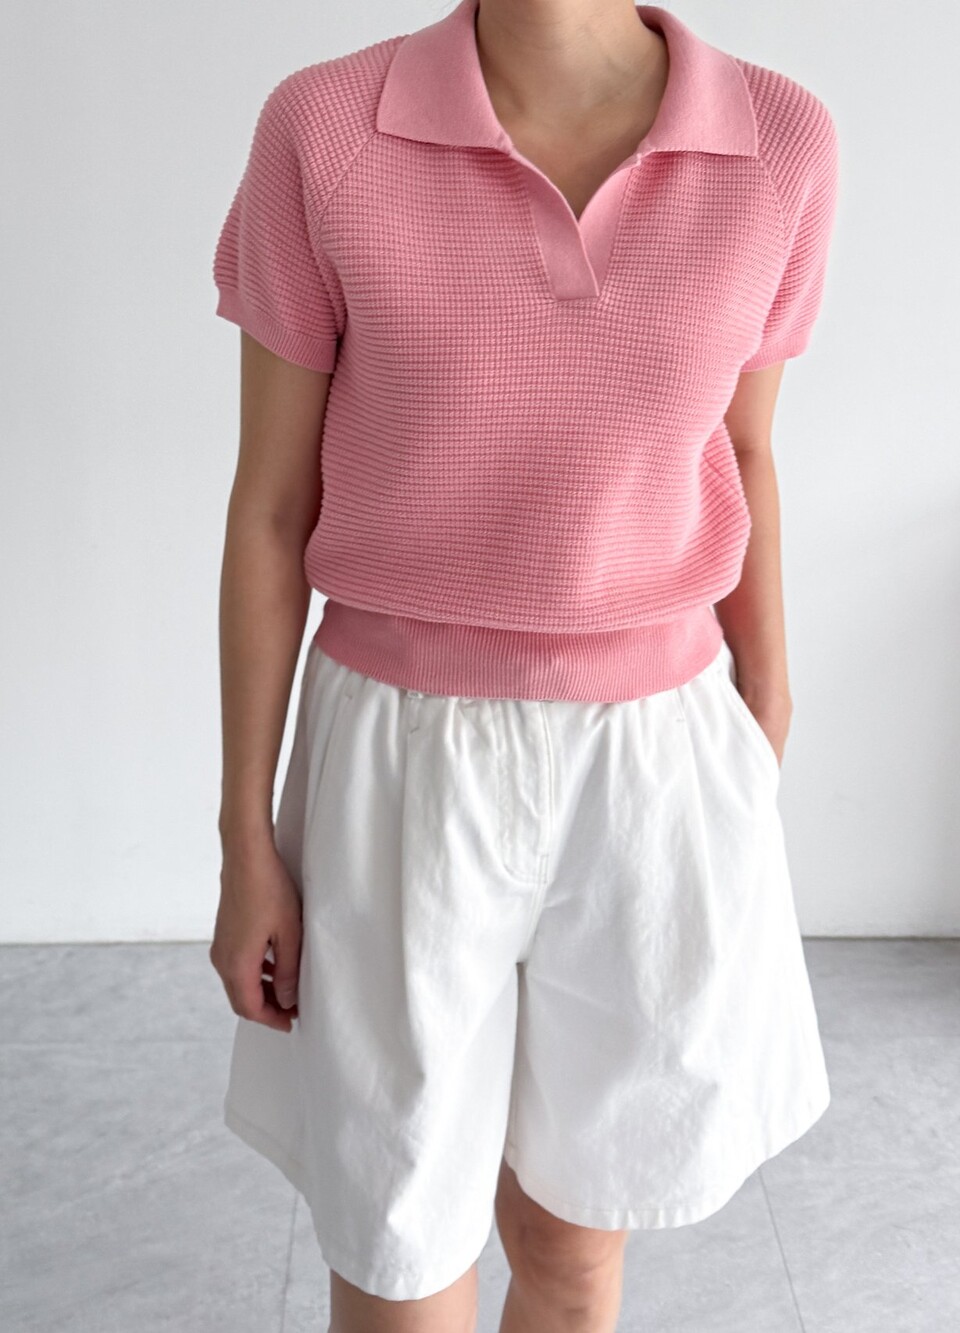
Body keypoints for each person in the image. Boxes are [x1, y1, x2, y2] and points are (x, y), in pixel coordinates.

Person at [208, 0, 840, 1329]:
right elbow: (270, 506)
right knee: (399, 1254)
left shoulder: (779, 138)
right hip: (400, 754)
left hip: (655, 758)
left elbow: (746, 449)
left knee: (574, 1247)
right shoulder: (325, 127)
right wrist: (246, 837)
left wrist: (764, 710)